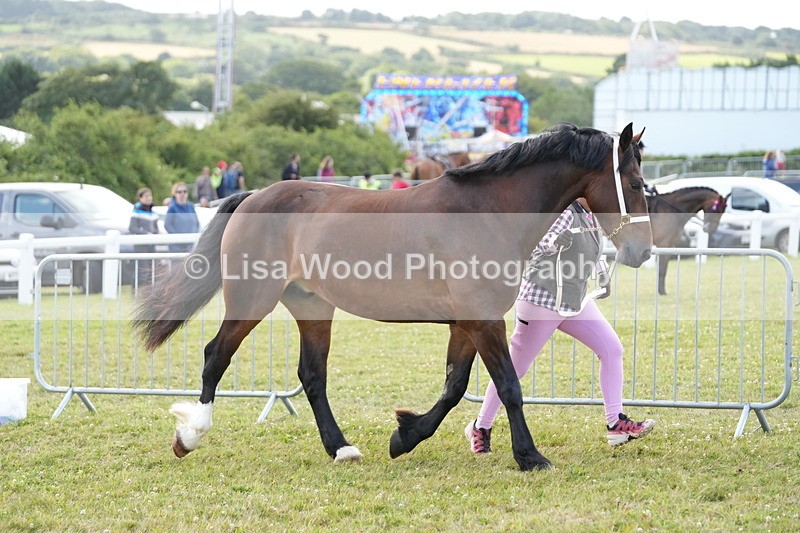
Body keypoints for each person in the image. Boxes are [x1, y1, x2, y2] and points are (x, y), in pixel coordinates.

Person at [465, 198, 655, 454]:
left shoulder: (590, 215)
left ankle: (616, 424)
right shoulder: (563, 212)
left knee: (612, 350)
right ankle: (480, 426)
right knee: (513, 370)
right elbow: (535, 243)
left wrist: (602, 273)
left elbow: (592, 247)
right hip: (542, 300)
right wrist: (554, 242)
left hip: (573, 299)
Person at [128, 187, 160, 285]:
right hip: (141, 245)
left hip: (151, 245)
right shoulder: (136, 211)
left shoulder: (153, 213)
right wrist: (145, 233)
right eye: (146, 196)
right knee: (140, 270)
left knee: (152, 269)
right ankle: (136, 291)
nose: (149, 198)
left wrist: (156, 232)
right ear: (140, 198)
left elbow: (156, 229)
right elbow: (132, 228)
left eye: (150, 196)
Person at [164, 181, 200, 253]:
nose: (182, 194)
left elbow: (197, 223)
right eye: (179, 192)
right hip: (176, 247)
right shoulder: (172, 208)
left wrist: (193, 235)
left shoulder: (191, 206)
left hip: (190, 245)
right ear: (175, 194)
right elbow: (167, 225)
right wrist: (179, 237)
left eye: (184, 191)